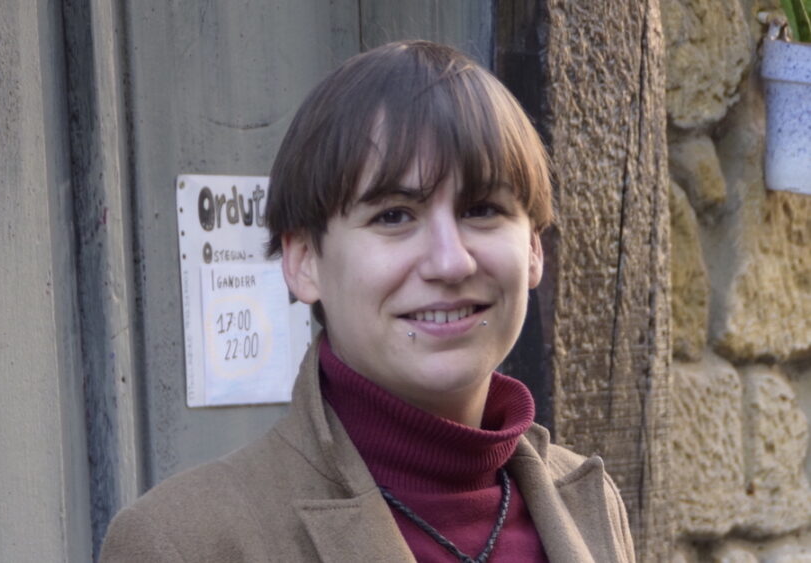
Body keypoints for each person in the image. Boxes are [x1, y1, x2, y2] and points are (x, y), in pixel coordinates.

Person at [100, 40, 634, 563]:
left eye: (482, 210)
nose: (451, 262)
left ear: (534, 247)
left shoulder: (588, 502)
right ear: (304, 261)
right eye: (394, 216)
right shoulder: (184, 543)